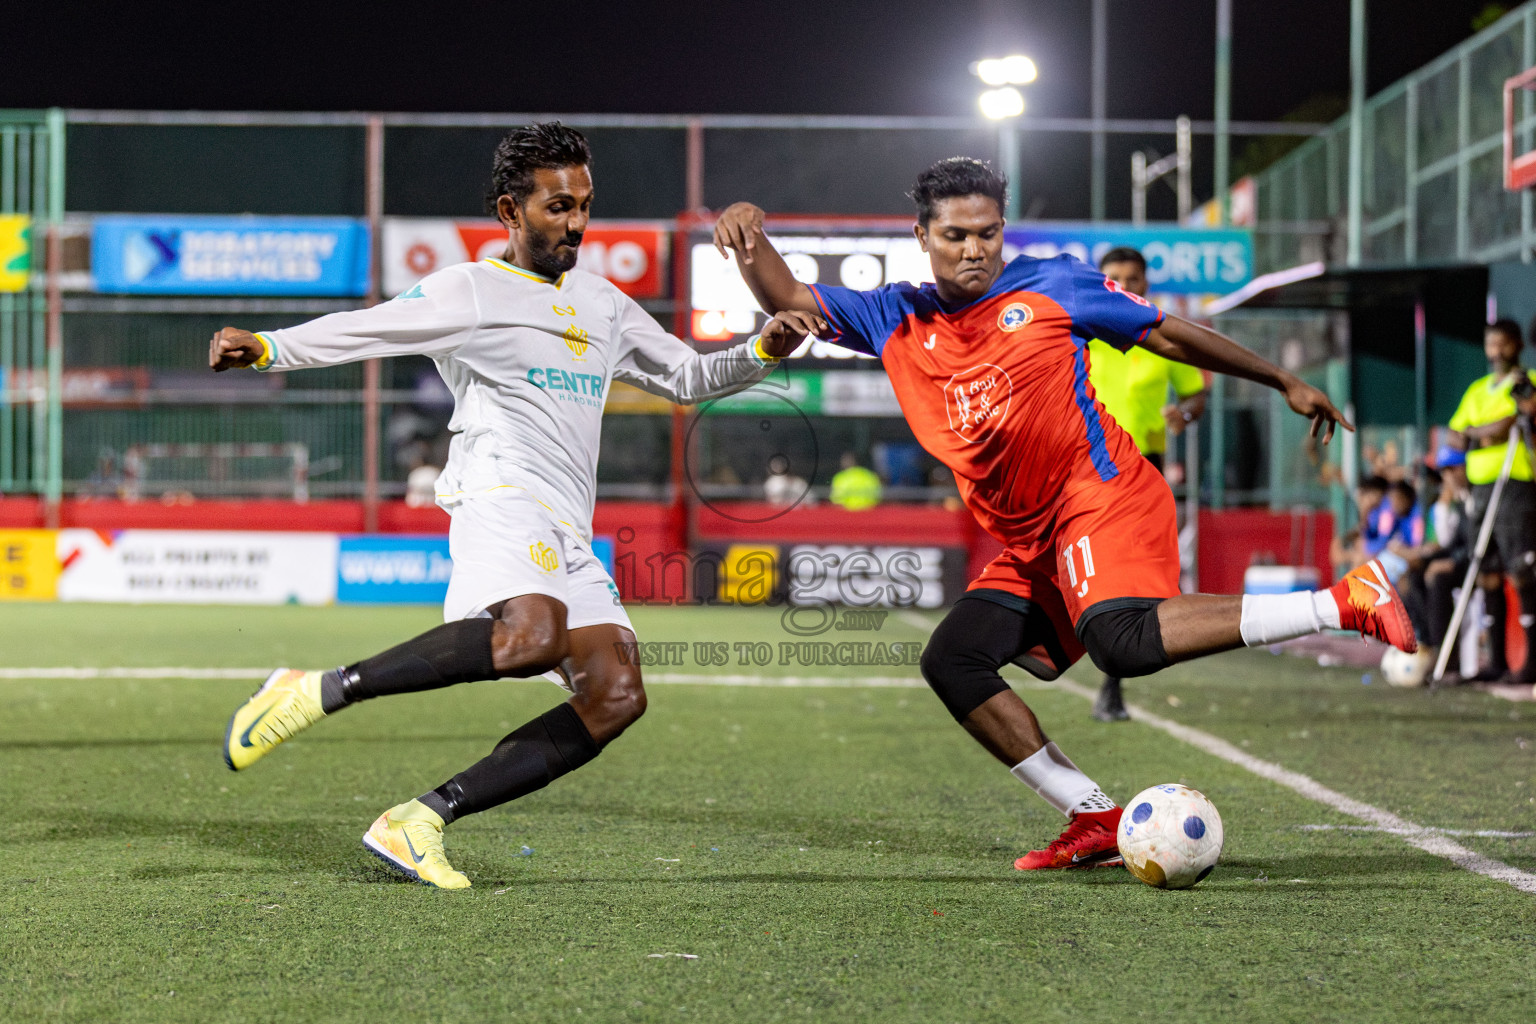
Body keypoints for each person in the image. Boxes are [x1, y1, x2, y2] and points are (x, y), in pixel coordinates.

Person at [712, 156, 1415, 871]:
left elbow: (1166, 333)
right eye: (955, 234)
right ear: (921, 236)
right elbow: (789, 295)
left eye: (987, 233)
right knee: (954, 660)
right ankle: (1093, 816)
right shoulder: (894, 316)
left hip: (1099, 494)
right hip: (1032, 537)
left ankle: (1344, 601)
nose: (973, 248)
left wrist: (1281, 378)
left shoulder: (1052, 283)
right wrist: (749, 241)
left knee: (1123, 642)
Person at [209, 123, 823, 889]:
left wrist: (764, 348)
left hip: (566, 522)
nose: (576, 223)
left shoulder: (602, 303)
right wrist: (268, 347)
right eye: (558, 206)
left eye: (585, 205)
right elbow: (367, 329)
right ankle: (318, 688)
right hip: (499, 493)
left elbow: (687, 378)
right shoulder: (470, 289)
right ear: (511, 210)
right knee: (532, 636)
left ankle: (419, 820)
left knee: (616, 692)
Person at [1084, 245, 1207, 721]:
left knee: (1129, 573)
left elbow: (1195, 395)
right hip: (1086, 467)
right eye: (1114, 277)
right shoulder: (1083, 335)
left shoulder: (1161, 338)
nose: (1124, 286)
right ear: (1101, 282)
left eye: (1133, 278)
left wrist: (1185, 413)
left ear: (1145, 284)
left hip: (1145, 470)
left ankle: (1112, 684)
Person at [1446, 319, 1536, 683]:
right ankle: (1495, 661)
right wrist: (1480, 435)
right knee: (1487, 571)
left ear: (1515, 345)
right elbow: (1454, 436)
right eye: (1490, 344)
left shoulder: (1525, 382)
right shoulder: (1478, 389)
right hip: (1480, 488)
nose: (1495, 351)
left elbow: (1512, 423)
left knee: (1522, 569)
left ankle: (1531, 661)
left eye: (1502, 343)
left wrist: (1479, 434)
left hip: (1515, 482)